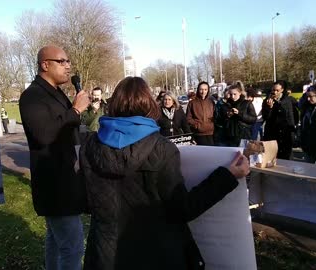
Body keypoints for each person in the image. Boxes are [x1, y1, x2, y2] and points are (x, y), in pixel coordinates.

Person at [79, 77, 250, 270]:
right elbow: (182, 209)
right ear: (149, 104)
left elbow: (84, 202)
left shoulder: (89, 146)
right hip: (155, 252)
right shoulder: (161, 148)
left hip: (105, 253)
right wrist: (227, 176)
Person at [19, 45, 90, 270]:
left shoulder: (57, 93)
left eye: (68, 61)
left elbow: (68, 130)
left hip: (67, 178)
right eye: (62, 61)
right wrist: (76, 110)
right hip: (55, 184)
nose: (68, 66)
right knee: (72, 247)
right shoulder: (32, 96)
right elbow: (45, 134)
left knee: (56, 242)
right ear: (45, 64)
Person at [262, 81, 296, 159]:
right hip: (272, 133)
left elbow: (290, 117)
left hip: (285, 134)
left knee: (285, 158)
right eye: (273, 90)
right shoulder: (266, 101)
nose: (275, 92)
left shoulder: (287, 100)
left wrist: (292, 133)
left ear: (282, 90)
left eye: (277, 90)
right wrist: (269, 108)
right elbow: (265, 117)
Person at [300, 86, 316, 164]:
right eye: (307, 96)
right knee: (308, 169)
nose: (308, 99)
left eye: (311, 96)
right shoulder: (307, 108)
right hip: (308, 146)